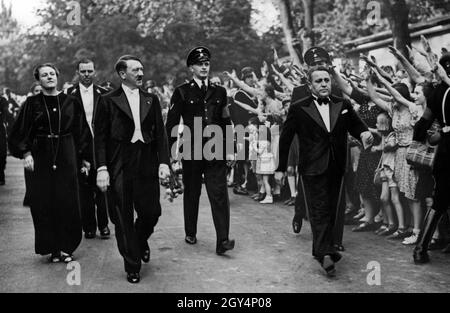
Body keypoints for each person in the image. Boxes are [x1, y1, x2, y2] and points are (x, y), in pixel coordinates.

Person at [275, 65, 373, 277]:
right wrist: (281, 168)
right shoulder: (299, 107)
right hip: (311, 167)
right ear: (310, 85)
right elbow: (285, 138)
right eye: (318, 81)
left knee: (330, 210)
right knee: (318, 209)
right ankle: (324, 253)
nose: (323, 84)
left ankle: (322, 250)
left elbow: (357, 125)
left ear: (331, 82)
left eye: (326, 80)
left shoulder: (343, 103)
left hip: (337, 165)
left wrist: (365, 134)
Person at [95, 55, 171, 283]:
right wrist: (102, 168)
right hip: (119, 162)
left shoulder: (151, 99)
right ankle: (132, 265)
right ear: (122, 74)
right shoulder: (108, 100)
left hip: (146, 160)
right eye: (135, 70)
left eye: (142, 69)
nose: (140, 74)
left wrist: (164, 162)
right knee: (122, 216)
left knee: (152, 212)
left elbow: (160, 134)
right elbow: (99, 138)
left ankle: (138, 243)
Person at [8, 63, 91, 263]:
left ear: (57, 76)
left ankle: (66, 246)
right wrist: (26, 153)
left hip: (67, 153)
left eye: (52, 73)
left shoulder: (71, 101)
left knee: (68, 200)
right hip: (40, 155)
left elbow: (82, 132)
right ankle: (52, 247)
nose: (49, 77)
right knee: (44, 202)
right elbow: (19, 132)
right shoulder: (31, 103)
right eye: (44, 75)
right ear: (38, 80)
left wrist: (86, 158)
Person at [166, 46, 235, 255]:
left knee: (219, 194)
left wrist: (231, 149)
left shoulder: (220, 91)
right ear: (191, 68)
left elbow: (225, 120)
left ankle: (222, 240)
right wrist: (172, 155)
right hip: (191, 149)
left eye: (206, 64)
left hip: (215, 150)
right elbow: (171, 124)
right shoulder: (181, 92)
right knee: (192, 192)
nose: (204, 67)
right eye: (199, 64)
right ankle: (190, 230)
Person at [412, 53, 450, 264]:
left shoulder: (437, 93)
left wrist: (419, 137)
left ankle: (420, 249)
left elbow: (425, 120)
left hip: (444, 152)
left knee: (440, 200)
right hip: (446, 146)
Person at [67, 59, 110, 240]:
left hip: (100, 144)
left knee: (102, 187)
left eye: (89, 71)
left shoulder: (104, 93)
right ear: (77, 72)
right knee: (83, 189)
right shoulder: (69, 94)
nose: (86, 75)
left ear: (94, 72)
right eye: (83, 71)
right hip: (79, 145)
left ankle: (104, 225)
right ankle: (89, 226)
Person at [23, 82, 43, 205]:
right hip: (33, 144)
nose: (39, 93)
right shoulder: (28, 105)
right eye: (37, 91)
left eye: (41, 90)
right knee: (32, 173)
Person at [0, 94, 7, 185]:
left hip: (0, 129)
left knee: (1, 153)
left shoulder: (2, 100)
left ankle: (1, 175)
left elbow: (6, 113)